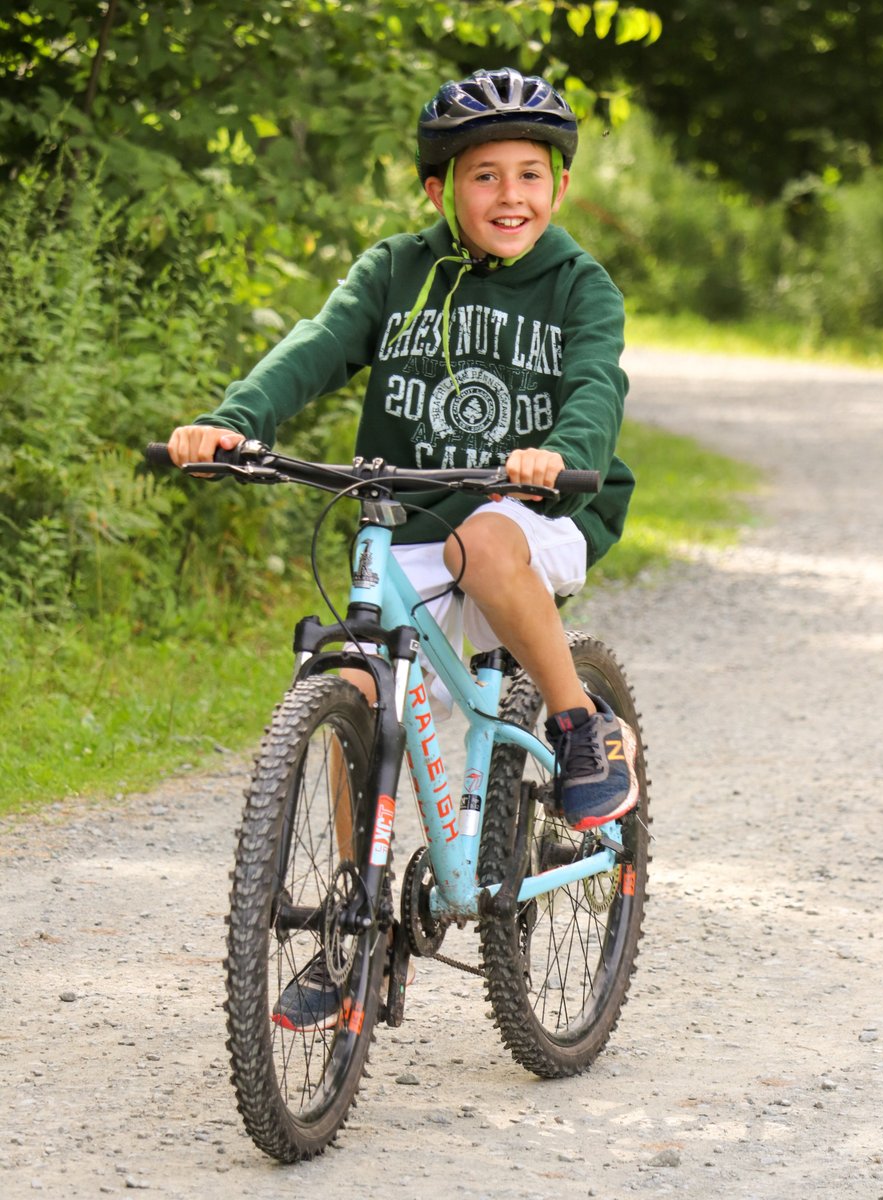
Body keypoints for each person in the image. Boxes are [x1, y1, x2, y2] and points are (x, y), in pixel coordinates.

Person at [167, 67, 639, 1027]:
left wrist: (563, 453)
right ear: (439, 190)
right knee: (356, 689)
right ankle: (358, 927)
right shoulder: (395, 269)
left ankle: (578, 722)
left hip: (535, 515)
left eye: (531, 175)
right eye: (484, 177)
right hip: (410, 521)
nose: (511, 196)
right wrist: (232, 423)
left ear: (557, 186)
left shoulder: (581, 285)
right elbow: (316, 344)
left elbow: (597, 384)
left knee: (485, 543)